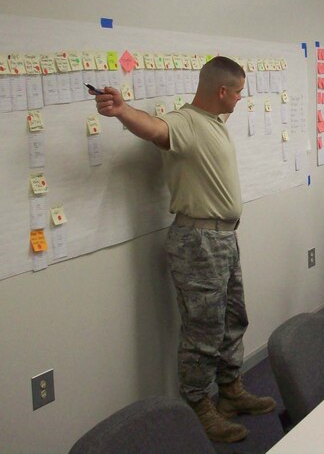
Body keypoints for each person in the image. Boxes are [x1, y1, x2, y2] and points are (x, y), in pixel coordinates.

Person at [91, 56, 275, 443]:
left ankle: (229, 390)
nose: (241, 99)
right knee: (202, 331)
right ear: (222, 91)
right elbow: (155, 129)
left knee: (233, 319)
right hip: (198, 242)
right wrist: (123, 111)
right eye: (239, 92)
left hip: (224, 238)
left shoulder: (215, 124)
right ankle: (198, 406)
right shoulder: (186, 122)